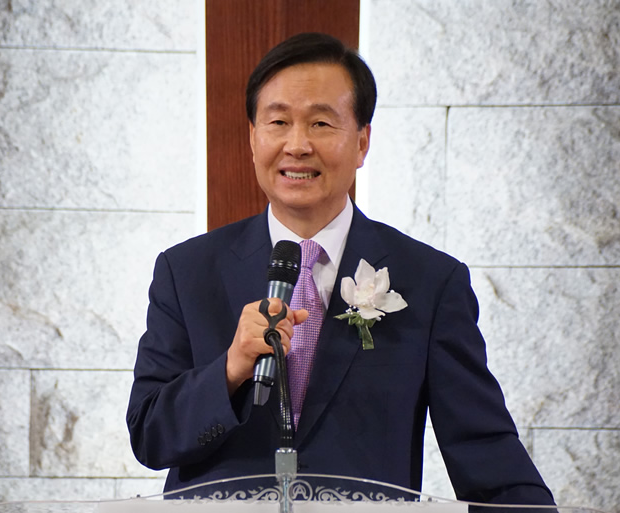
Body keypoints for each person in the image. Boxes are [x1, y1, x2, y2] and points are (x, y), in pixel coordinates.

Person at [127, 32, 554, 506]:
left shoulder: (430, 281)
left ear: (362, 143)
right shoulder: (186, 272)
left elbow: (485, 449)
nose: (297, 145)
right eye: (278, 122)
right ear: (253, 138)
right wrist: (229, 370)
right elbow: (149, 436)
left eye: (321, 123)